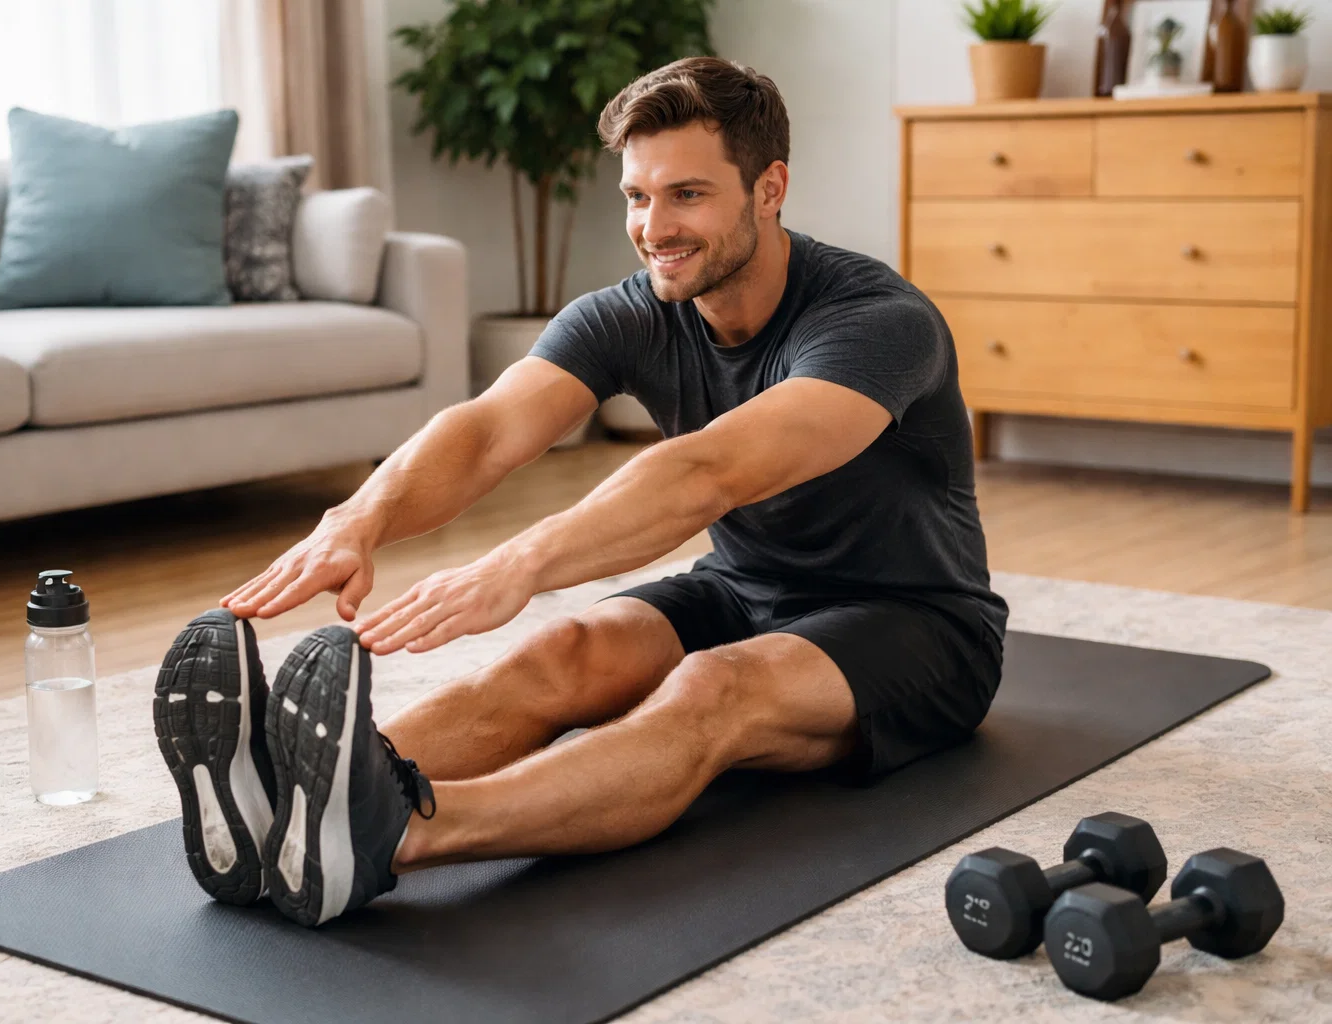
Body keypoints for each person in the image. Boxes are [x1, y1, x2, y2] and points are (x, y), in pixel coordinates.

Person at [152, 56, 1007, 928]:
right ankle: (284, 797)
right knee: (561, 652)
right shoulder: (632, 312)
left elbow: (708, 471)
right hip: (746, 587)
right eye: (637, 196)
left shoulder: (877, 324)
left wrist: (520, 563)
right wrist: (358, 518)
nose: (653, 226)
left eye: (687, 195)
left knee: (712, 689)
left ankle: (396, 832)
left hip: (918, 621)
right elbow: (489, 429)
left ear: (769, 187)